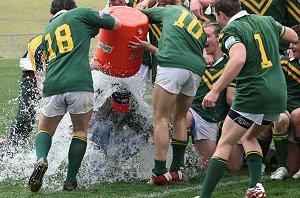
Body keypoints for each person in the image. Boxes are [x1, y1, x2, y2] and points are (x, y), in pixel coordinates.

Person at [198, 0, 298, 197]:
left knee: (224, 143)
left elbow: (238, 58)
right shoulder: (267, 20)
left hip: (253, 93)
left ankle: (204, 196)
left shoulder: (231, 30)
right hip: (277, 95)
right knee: (249, 136)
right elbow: (293, 35)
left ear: (221, 14)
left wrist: (215, 90)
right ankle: (255, 187)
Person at [28, 0, 121, 193]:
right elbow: (115, 24)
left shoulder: (48, 29)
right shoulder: (81, 14)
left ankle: (41, 158)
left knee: (44, 129)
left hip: (53, 84)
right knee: (79, 131)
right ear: (72, 7)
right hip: (80, 84)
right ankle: (70, 181)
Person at [131, 5, 207, 185]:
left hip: (172, 66)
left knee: (161, 119)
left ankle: (159, 172)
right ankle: (176, 170)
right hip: (195, 71)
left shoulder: (170, 10)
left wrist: (143, 4)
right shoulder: (195, 23)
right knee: (180, 118)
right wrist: (148, 46)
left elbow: (139, 14)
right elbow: (183, 53)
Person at [185, 22, 243, 173]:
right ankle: (173, 164)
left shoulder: (230, 63)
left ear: (219, 38)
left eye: (208, 36)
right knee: (183, 117)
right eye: (202, 36)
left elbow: (231, 98)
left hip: (213, 118)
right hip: (195, 112)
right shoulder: (195, 58)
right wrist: (202, 53)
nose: (204, 39)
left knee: (230, 167)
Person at [0, 35, 45, 154]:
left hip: (50, 76)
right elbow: (39, 75)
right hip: (32, 77)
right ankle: (12, 146)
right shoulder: (39, 42)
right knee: (25, 115)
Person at [89, 80, 153, 164]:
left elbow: (138, 120)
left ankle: (114, 164)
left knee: (143, 137)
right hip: (94, 138)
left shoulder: (131, 101)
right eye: (118, 106)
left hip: (115, 136)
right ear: (109, 98)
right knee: (104, 128)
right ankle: (98, 167)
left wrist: (151, 132)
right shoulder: (98, 98)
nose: (121, 110)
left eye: (124, 106)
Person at [282, 24, 300, 179]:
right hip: (290, 110)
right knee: (292, 166)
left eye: (295, 42)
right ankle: (276, 162)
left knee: (297, 116)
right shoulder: (286, 63)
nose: (291, 46)